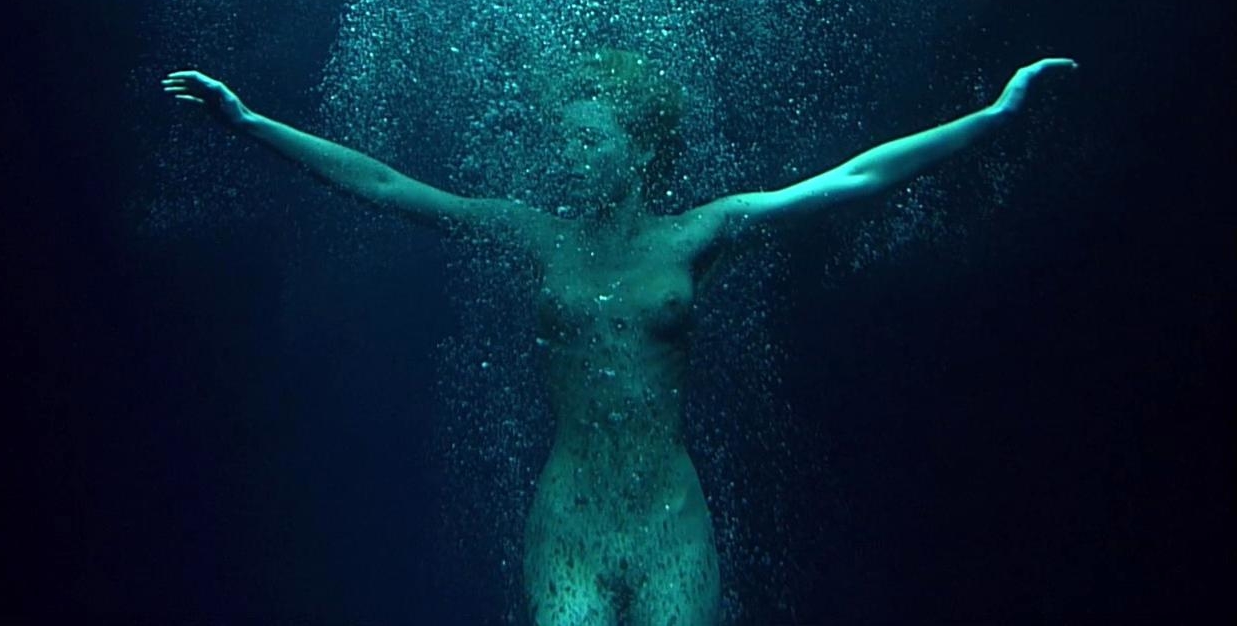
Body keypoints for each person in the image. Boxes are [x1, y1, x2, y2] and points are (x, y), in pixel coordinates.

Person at [163, 51, 1076, 625]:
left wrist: (992, 119)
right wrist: (250, 123)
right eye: (564, 143)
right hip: (570, 515)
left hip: (669, 514)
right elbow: (389, 188)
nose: (570, 158)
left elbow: (850, 181)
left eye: (589, 142)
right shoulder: (535, 233)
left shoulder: (697, 235)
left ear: (637, 150)